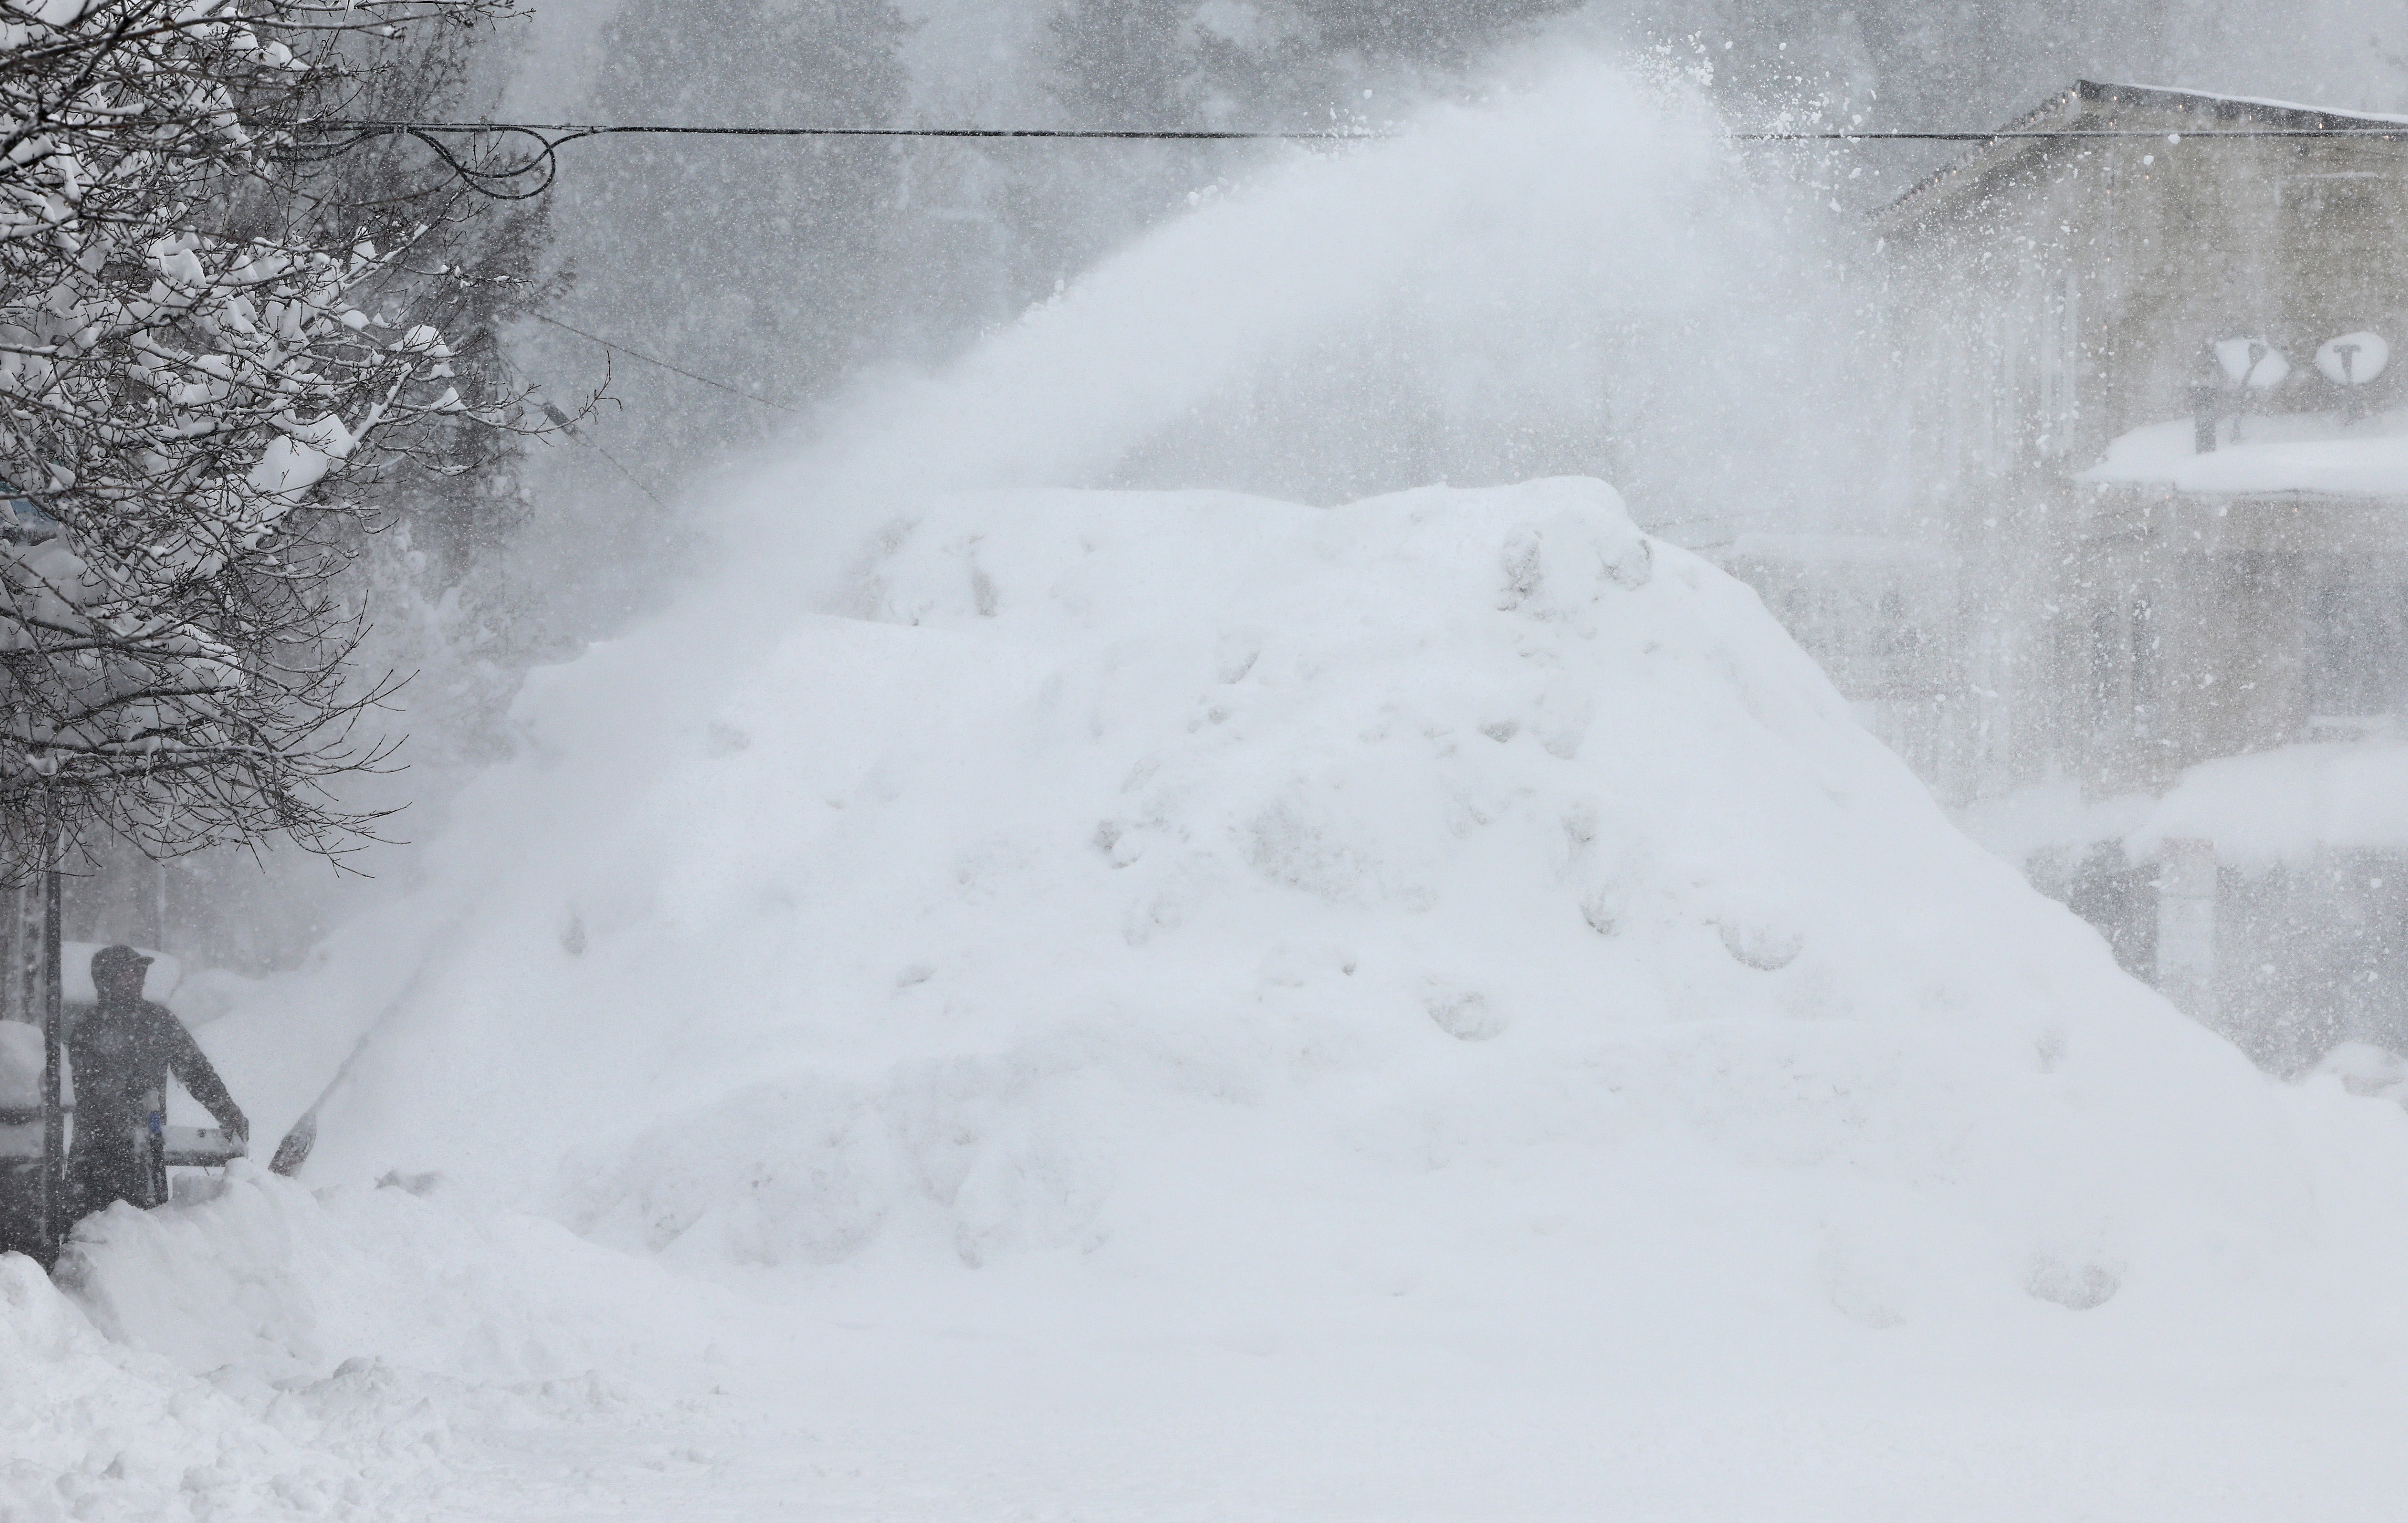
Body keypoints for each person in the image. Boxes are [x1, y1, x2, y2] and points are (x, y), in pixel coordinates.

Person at [67, 944, 246, 1216]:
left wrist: (226, 1110)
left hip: (147, 1153)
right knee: (91, 1236)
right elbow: (93, 1093)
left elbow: (196, 1070)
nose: (139, 979)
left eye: (140, 972)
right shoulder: (89, 1028)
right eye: (129, 973)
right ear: (106, 980)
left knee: (145, 1234)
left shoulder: (158, 1021)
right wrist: (129, 1113)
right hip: (95, 1157)